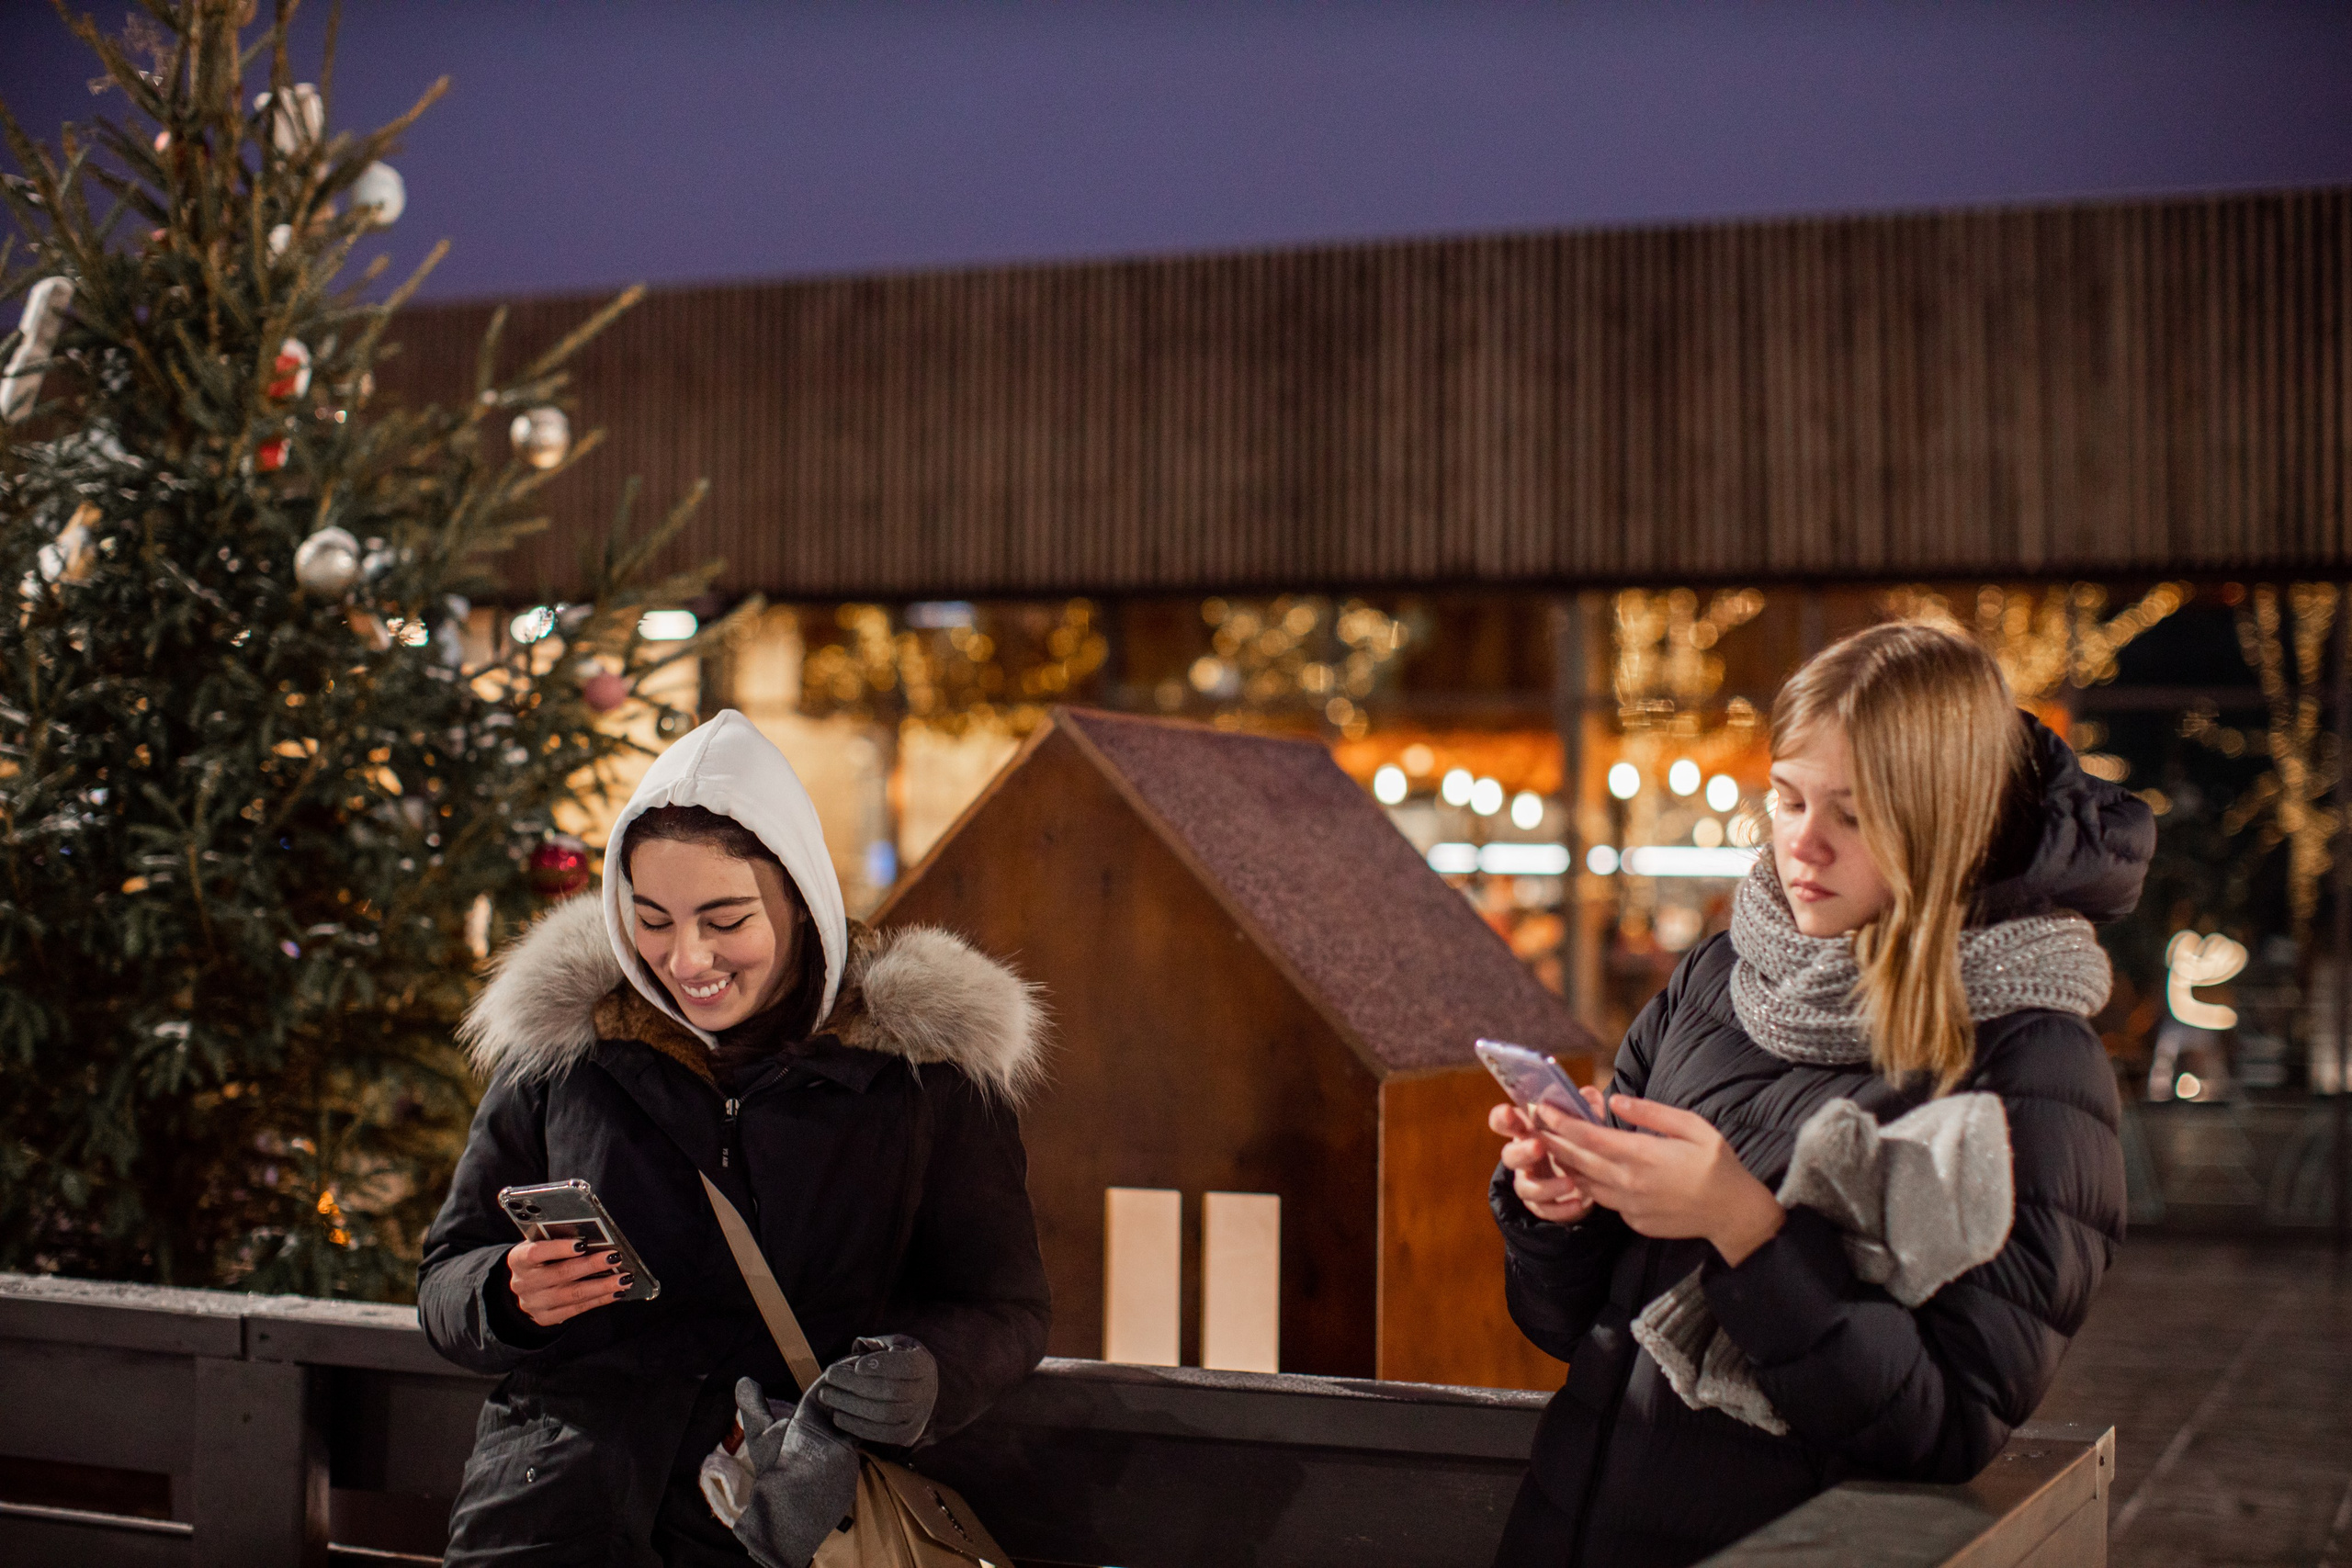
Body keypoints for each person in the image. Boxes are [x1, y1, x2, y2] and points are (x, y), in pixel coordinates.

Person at [1487, 622, 2145, 1568]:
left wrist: (1742, 1226)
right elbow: (1570, 1328)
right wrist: (1560, 1205)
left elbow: (1944, 1427)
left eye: (1853, 813)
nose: (1803, 844)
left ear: (1944, 818)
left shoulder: (2030, 1064)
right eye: (1787, 799)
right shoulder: (1723, 971)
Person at [419, 711, 1051, 1567]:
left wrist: (930, 1376)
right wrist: (504, 1293)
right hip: (549, 1520)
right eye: (651, 917)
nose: (686, 958)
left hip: (779, 1526)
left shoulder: (922, 1074)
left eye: (725, 918)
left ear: (799, 898)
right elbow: (447, 1277)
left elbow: (1004, 1306)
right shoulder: (565, 1051)